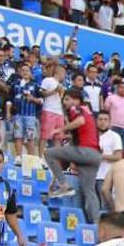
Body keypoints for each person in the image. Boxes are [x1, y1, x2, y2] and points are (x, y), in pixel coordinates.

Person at [46, 89, 103, 220]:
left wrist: (61, 129)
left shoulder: (76, 109)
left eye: (67, 99)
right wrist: (65, 135)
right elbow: (82, 133)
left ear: (76, 100)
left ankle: (63, 184)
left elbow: (80, 121)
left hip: (84, 152)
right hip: (95, 155)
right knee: (89, 192)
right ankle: (96, 224)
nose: (64, 102)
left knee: (49, 153)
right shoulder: (89, 112)